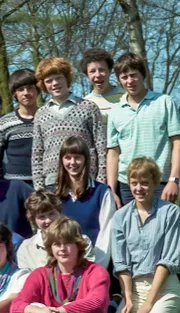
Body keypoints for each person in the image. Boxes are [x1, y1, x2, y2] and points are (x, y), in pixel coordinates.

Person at [111, 157, 180, 313]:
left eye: (145, 183)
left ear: (155, 183)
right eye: (134, 183)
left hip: (163, 287)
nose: (139, 188)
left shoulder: (170, 212)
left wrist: (149, 304)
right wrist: (128, 297)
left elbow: (168, 260)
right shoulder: (120, 217)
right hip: (135, 288)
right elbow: (121, 264)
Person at [106, 52, 180, 206]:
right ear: (119, 81)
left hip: (160, 183)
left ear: (143, 75)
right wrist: (111, 190)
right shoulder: (115, 111)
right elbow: (113, 153)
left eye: (133, 75)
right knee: (131, 230)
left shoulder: (164, 102)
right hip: (127, 186)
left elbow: (178, 143)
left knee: (162, 229)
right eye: (124, 77)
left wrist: (174, 180)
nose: (129, 81)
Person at [31, 57, 106, 190]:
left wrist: (101, 180)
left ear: (67, 79)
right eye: (49, 81)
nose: (54, 83)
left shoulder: (88, 108)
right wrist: (39, 187)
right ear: (44, 85)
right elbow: (37, 153)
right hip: (52, 182)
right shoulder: (40, 114)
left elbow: (100, 146)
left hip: (86, 180)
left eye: (58, 78)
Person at [56, 137, 115, 268]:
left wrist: (96, 268)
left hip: (92, 264)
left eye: (77, 157)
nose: (73, 162)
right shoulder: (54, 194)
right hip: (61, 268)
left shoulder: (102, 192)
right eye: (68, 157)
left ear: (86, 160)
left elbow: (107, 233)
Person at [17, 191, 98, 271]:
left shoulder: (82, 242)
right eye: (42, 217)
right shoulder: (26, 248)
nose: (48, 220)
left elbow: (89, 273)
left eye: (52, 214)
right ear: (34, 220)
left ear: (60, 213)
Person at [0, 69, 38, 186]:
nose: (26, 93)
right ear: (14, 94)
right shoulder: (4, 122)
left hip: (45, 183)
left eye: (30, 87)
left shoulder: (48, 118)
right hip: (13, 184)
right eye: (20, 89)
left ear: (38, 89)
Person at [82, 48, 124, 126]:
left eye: (101, 70)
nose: (98, 75)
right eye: (92, 71)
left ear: (110, 71)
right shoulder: (84, 104)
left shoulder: (126, 97)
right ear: (87, 75)